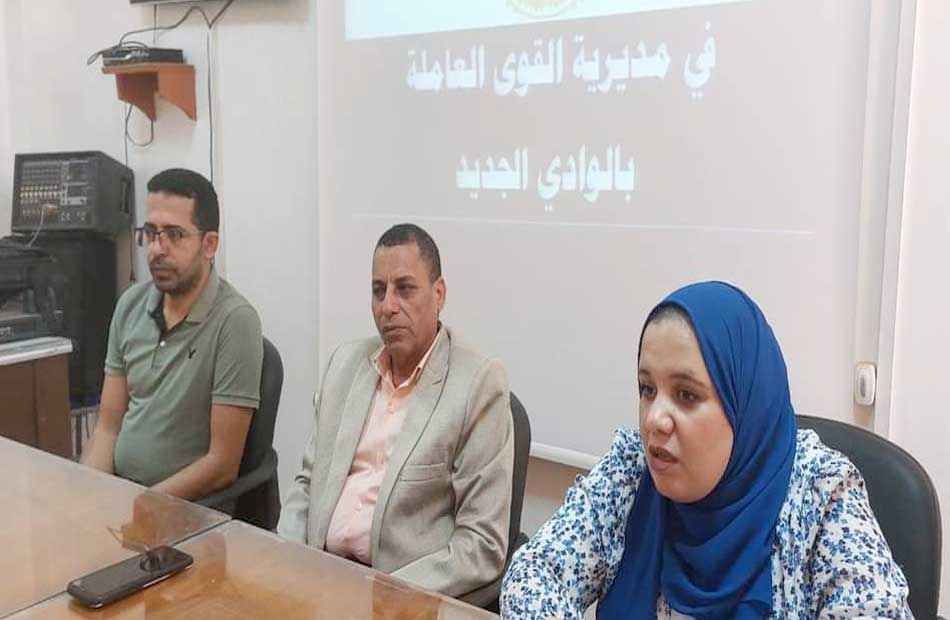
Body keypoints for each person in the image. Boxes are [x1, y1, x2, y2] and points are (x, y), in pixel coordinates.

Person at [501, 281, 912, 620]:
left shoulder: (821, 495)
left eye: (686, 394)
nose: (654, 419)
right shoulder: (631, 471)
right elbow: (533, 575)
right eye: (647, 389)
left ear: (743, 405)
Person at [278, 223, 514, 600]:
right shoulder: (344, 365)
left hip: (399, 596)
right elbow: (307, 484)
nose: (388, 306)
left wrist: (385, 594)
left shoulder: (477, 383)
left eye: (405, 289)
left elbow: (481, 544)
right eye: (378, 291)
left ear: (439, 294)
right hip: (317, 581)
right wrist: (285, 561)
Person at [82, 168, 263, 501]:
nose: (156, 249)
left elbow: (222, 464)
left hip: (186, 511)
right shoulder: (130, 305)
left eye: (174, 235)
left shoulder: (235, 321)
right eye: (151, 233)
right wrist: (91, 493)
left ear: (209, 244)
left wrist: (140, 506)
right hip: (122, 499)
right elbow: (107, 428)